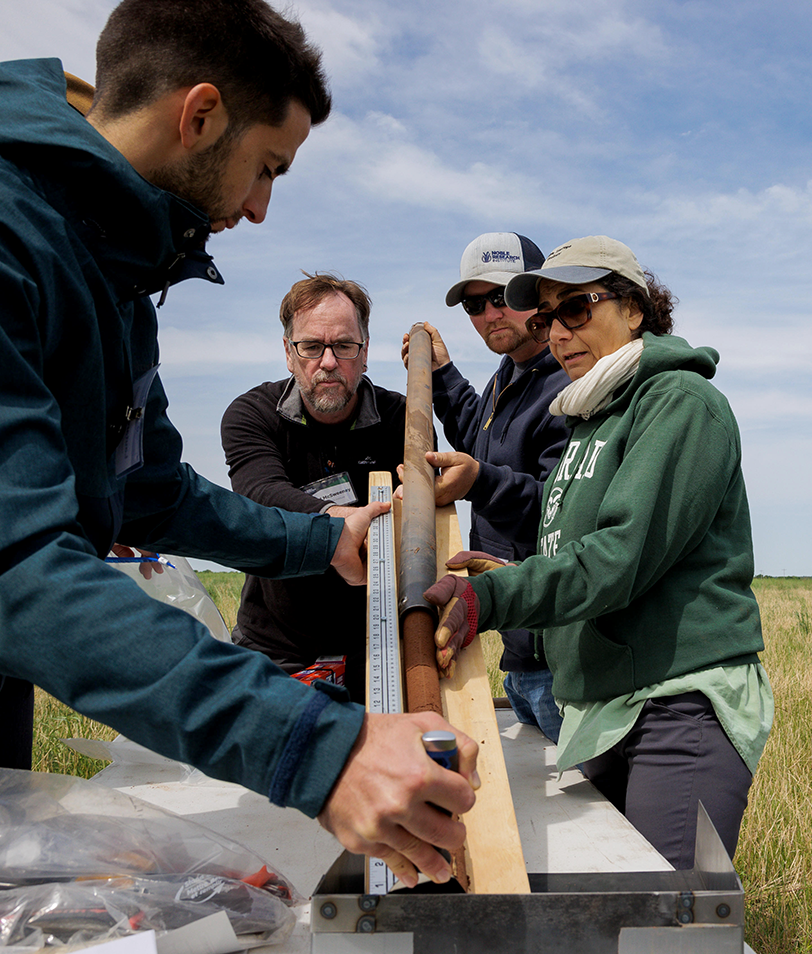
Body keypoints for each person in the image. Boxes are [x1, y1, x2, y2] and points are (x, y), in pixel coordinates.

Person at [0, 0, 476, 889]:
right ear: (201, 113)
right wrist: (317, 751)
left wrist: (321, 542)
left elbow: (149, 490)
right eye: (268, 167)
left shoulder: (115, 272)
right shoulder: (16, 237)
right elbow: (17, 564)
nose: (260, 209)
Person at [425, 235, 773, 869]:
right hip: (603, 706)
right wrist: (514, 573)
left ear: (634, 308)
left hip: (676, 701)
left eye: (577, 309)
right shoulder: (591, 418)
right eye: (549, 316)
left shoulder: (680, 403)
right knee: (607, 909)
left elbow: (619, 556)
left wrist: (495, 597)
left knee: (664, 915)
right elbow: (578, 548)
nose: (558, 331)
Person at [401, 232, 569, 743]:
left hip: (563, 663)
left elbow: (562, 509)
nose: (490, 314)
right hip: (521, 658)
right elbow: (482, 441)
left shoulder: (569, 386)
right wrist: (445, 374)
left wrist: (478, 479)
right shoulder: (510, 373)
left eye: (502, 296)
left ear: (539, 295)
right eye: (475, 304)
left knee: (596, 818)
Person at [222, 274, 407, 701]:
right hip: (278, 649)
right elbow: (260, 491)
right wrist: (337, 522)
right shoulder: (252, 414)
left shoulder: (402, 419)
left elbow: (418, 511)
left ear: (364, 353)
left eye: (344, 346)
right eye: (311, 347)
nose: (327, 362)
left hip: (378, 648)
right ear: (289, 353)